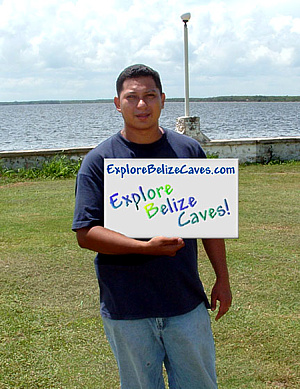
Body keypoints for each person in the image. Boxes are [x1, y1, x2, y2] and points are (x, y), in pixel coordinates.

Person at [72, 64, 232, 389]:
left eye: (149, 96)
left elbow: (210, 222)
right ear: (117, 103)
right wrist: (144, 247)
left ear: (163, 99)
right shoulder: (99, 161)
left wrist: (223, 279)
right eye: (132, 97)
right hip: (126, 307)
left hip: (185, 302)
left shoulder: (189, 152)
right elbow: (86, 233)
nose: (141, 105)